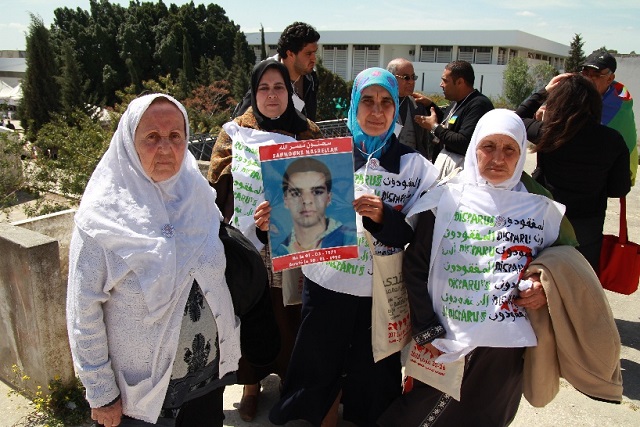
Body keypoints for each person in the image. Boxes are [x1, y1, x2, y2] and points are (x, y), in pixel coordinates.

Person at [378, 109, 577, 427]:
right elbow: (416, 268)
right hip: (445, 343)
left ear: (522, 153)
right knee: (419, 416)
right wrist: (428, 330)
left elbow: (563, 265)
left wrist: (544, 288)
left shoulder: (540, 208)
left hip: (503, 351)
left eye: (509, 149)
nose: (498, 158)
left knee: (488, 415)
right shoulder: (444, 200)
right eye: (489, 146)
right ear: (474, 149)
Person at [268, 67, 439, 427]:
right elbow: (295, 224)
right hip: (326, 287)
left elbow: (416, 237)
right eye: (367, 102)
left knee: (373, 383)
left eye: (386, 103)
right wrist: (272, 218)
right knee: (318, 376)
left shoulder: (415, 167)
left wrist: (383, 218)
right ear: (353, 107)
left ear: (398, 108)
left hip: (380, 296)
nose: (376, 112)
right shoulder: (326, 157)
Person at [66, 94, 242, 426]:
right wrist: (101, 393)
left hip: (207, 381)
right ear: (128, 143)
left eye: (175, 136)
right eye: (151, 137)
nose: (165, 147)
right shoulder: (101, 220)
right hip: (141, 400)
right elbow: (82, 312)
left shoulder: (198, 196)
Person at [208, 58, 322, 422]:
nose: (271, 95)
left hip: (296, 244)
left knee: (289, 314)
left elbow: (325, 186)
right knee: (253, 312)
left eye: (279, 88)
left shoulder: (307, 132)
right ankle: (251, 386)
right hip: (250, 244)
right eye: (263, 88)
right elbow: (216, 185)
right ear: (253, 93)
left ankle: (290, 382)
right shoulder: (234, 133)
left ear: (289, 92)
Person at [515, 73, 631, 273]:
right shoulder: (612, 139)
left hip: (546, 218)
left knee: (540, 280)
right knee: (581, 285)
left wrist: (543, 92)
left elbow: (512, 121)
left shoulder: (548, 132)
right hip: (588, 227)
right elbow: (618, 188)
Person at [415, 60, 494, 179]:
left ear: (460, 82)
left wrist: (434, 127)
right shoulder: (458, 102)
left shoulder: (478, 105)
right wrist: (429, 105)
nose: (441, 84)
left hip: (461, 174)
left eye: (445, 81)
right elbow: (450, 124)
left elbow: (463, 142)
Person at [233, 21, 320, 121]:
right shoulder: (264, 75)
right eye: (308, 54)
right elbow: (241, 122)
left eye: (315, 53)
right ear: (290, 54)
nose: (314, 59)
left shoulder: (311, 78)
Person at [273, 157, 356, 256]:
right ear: (285, 200)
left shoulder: (350, 239)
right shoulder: (278, 250)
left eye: (317, 192)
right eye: (296, 193)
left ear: (329, 198)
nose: (307, 200)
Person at [581, 49, 638, 186]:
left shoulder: (618, 103)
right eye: (585, 73)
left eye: (596, 75)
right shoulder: (585, 91)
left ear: (610, 79)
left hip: (613, 169)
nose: (588, 79)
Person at [386, 58, 442, 161]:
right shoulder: (380, 103)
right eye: (406, 77)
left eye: (413, 77)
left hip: (411, 166)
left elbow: (424, 142)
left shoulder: (418, 105)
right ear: (391, 78)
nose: (411, 82)